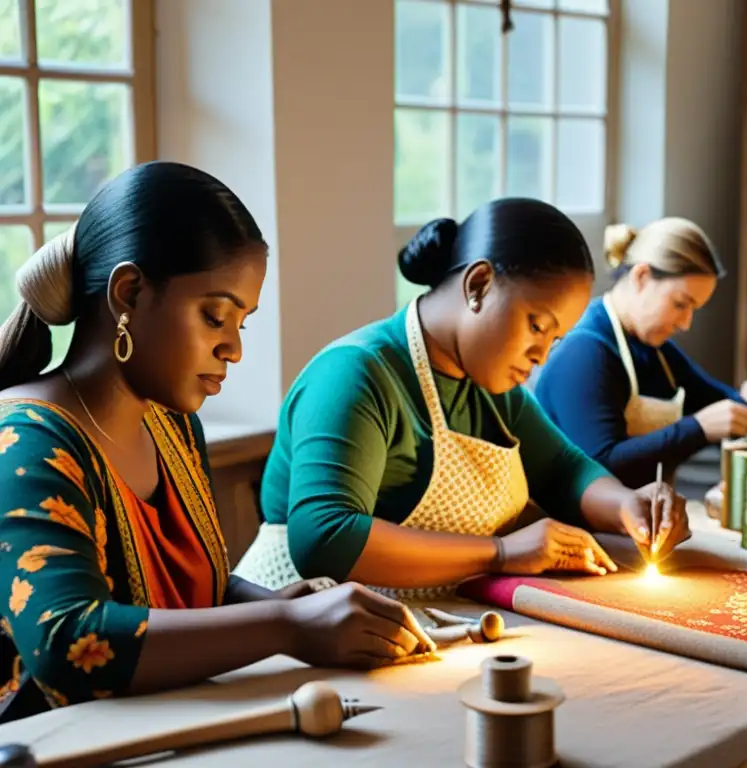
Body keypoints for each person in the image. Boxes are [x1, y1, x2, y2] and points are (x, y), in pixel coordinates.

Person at [0, 162, 433, 724]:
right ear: (129, 293)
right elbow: (69, 643)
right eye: (215, 316)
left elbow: (182, 592)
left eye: (241, 324)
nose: (233, 348)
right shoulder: (26, 440)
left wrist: (279, 603)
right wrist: (285, 626)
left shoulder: (173, 427)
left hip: (176, 726)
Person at [233, 198, 690, 596]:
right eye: (536, 326)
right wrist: (500, 552)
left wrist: (627, 505)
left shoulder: (491, 389)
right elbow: (325, 539)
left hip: (409, 620)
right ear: (478, 286)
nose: (541, 356)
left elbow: (562, 469)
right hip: (294, 631)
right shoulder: (355, 374)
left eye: (555, 341)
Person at [533, 217, 747, 489]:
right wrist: (697, 429)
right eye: (680, 304)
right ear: (642, 277)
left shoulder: (656, 351)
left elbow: (717, 403)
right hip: (567, 524)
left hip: (635, 518)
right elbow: (601, 467)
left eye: (694, 309)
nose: (686, 323)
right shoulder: (583, 352)